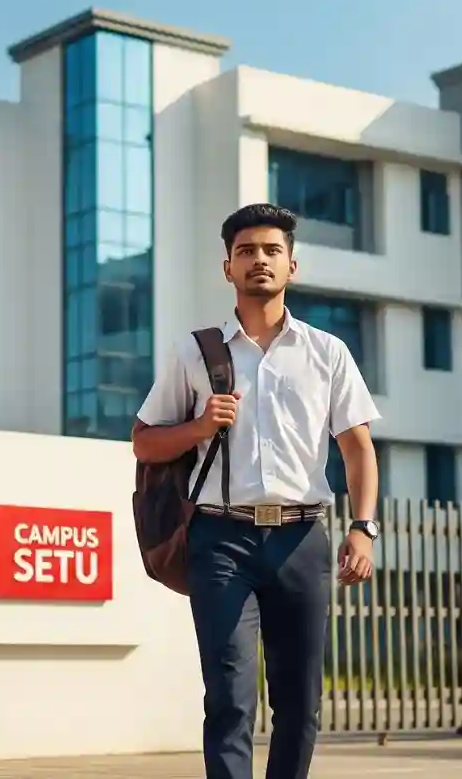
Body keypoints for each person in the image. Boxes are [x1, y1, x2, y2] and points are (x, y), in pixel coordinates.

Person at [131, 202, 381, 779]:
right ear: (228, 268)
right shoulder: (194, 352)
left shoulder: (327, 352)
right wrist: (198, 427)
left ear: (292, 265)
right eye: (247, 251)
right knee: (229, 697)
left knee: (300, 703)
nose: (259, 261)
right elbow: (144, 443)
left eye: (272, 251)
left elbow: (357, 449)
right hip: (220, 538)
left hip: (301, 540)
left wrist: (363, 528)